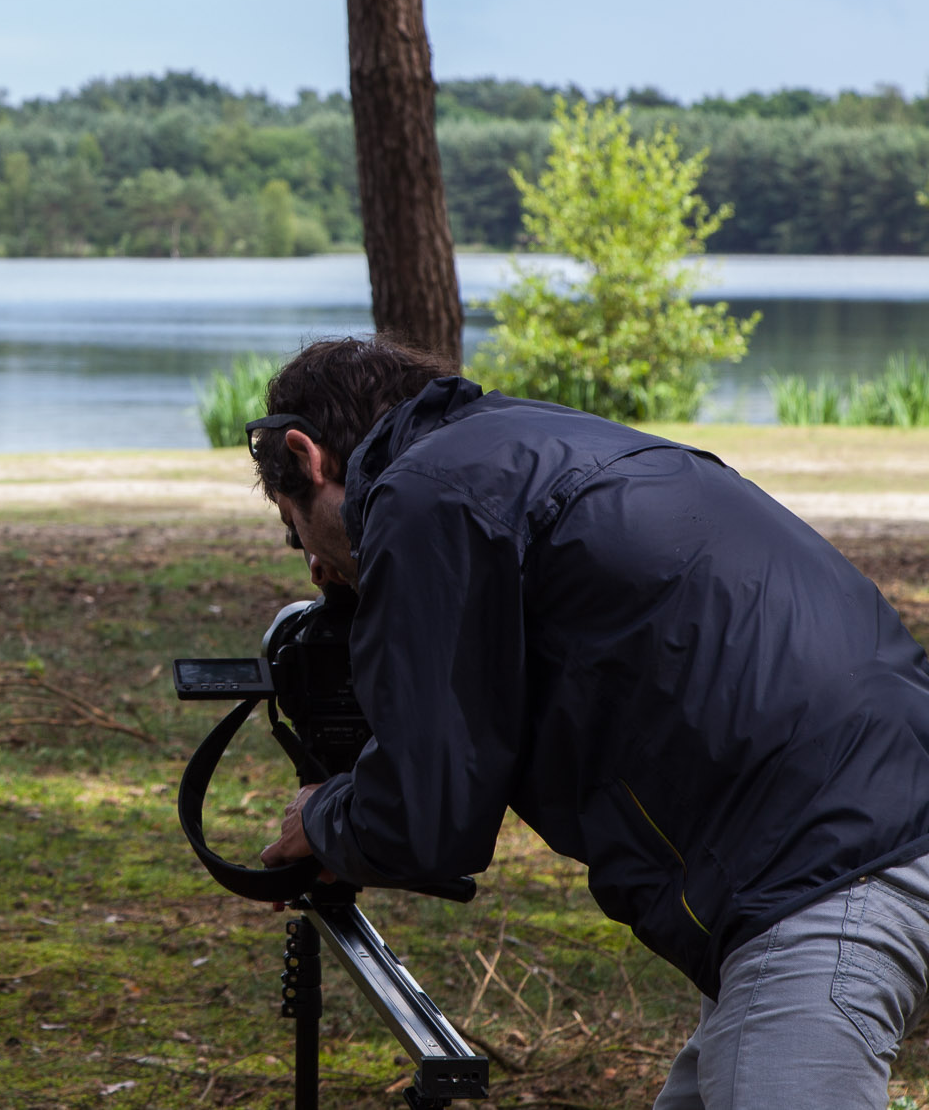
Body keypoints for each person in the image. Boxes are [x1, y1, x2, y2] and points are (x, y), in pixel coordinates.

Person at [247, 335, 929, 1109]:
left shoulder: (423, 492)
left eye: (293, 527)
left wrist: (324, 817)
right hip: (864, 822)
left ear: (307, 455)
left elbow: (426, 813)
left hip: (824, 873)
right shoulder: (542, 442)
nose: (315, 568)